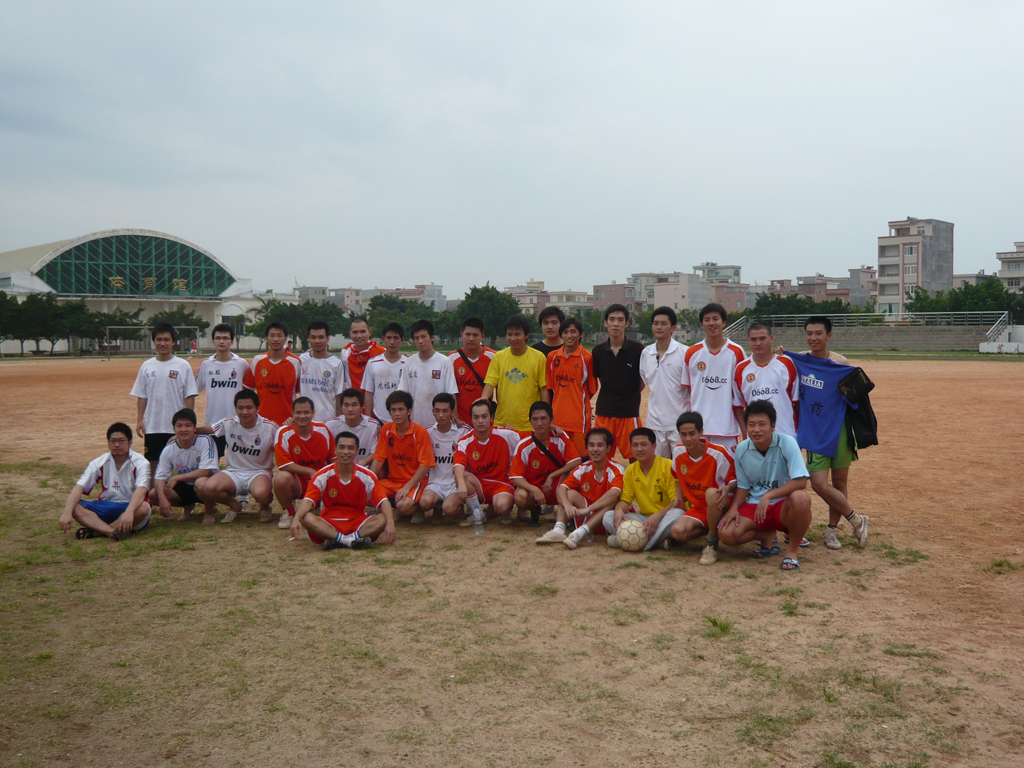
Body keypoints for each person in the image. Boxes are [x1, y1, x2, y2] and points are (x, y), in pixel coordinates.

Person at [783, 316, 869, 551]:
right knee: (819, 484)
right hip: (813, 432)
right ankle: (857, 520)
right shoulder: (798, 360)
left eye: (818, 333)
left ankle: (831, 531)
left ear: (828, 336)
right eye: (809, 333)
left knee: (840, 482)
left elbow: (857, 398)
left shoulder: (841, 363)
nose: (813, 338)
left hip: (839, 430)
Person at [717, 400, 813, 571]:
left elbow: (801, 481)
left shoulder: (787, 442)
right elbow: (743, 486)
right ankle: (766, 535)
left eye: (762, 424)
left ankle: (791, 551)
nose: (756, 430)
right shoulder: (742, 449)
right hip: (755, 505)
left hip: (782, 505)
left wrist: (769, 495)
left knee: (801, 498)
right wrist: (734, 508)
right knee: (726, 534)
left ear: (773, 425)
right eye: (751, 425)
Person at [289, 431, 397, 551]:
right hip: (329, 522)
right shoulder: (322, 475)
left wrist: (390, 523)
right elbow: (308, 501)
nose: (346, 452)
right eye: (341, 447)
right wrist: (296, 519)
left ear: (357, 451)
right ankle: (351, 541)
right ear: (335, 450)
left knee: (383, 519)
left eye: (350, 448)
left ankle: (339, 540)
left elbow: (383, 501)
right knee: (306, 517)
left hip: (358, 522)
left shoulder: (367, 475)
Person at [196, 389, 278, 523]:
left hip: (259, 472)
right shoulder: (228, 423)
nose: (244, 412)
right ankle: (235, 505)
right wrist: (185, 434)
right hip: (234, 472)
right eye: (240, 408)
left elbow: (283, 441)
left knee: (262, 494)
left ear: (257, 408)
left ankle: (265, 507)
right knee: (208, 488)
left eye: (249, 407)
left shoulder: (270, 427)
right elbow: (207, 429)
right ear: (235, 409)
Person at [130, 323, 198, 482]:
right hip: (153, 426)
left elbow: (190, 395)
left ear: (173, 342)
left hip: (177, 426)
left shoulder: (183, 365)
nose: (163, 343)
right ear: (154, 341)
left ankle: (183, 495)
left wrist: (189, 422)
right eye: (159, 340)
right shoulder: (147, 366)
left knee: (183, 464)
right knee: (152, 464)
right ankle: (153, 495)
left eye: (167, 340)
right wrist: (140, 420)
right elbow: (142, 396)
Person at [59, 423, 152, 540]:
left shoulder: (141, 463)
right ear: (108, 443)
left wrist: (130, 511)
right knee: (74, 506)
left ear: (130, 442)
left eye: (121, 441)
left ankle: (98, 530)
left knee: (144, 508)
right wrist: (67, 512)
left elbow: (142, 489)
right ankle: (111, 531)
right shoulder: (100, 462)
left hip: (129, 506)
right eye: (113, 441)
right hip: (106, 506)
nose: (117, 445)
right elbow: (79, 486)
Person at [668, 411, 736, 564]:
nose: (688, 438)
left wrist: (727, 489)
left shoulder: (718, 453)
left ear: (701, 432)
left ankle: (712, 544)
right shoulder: (678, 451)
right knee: (677, 532)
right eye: (683, 434)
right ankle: (710, 528)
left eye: (692, 433)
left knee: (711, 493)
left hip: (721, 503)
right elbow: (676, 475)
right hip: (698, 507)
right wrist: (678, 497)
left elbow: (735, 480)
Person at [511, 401, 582, 536]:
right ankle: (534, 509)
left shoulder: (560, 437)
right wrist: (534, 489)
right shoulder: (524, 445)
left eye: (543, 418)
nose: (539, 423)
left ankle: (568, 514)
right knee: (520, 496)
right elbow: (516, 478)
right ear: (530, 421)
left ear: (551, 420)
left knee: (576, 473)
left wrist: (552, 476)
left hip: (557, 486)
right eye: (535, 419)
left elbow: (576, 461)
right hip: (536, 490)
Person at [682, 303, 746, 452]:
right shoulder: (692, 352)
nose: (711, 323)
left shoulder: (736, 352)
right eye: (707, 320)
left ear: (723, 322)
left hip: (726, 429)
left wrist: (744, 429)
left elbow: (740, 393)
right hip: (698, 429)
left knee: (728, 467)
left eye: (715, 319)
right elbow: (689, 389)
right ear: (702, 324)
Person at [602, 428, 679, 550]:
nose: (639, 449)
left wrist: (657, 516)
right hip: (644, 519)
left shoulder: (668, 466)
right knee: (608, 516)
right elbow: (625, 500)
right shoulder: (630, 470)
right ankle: (657, 541)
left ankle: (641, 543)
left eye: (643, 445)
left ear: (654, 446)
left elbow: (676, 502)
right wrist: (618, 510)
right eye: (635, 445)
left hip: (665, 516)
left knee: (678, 515)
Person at [369, 390, 435, 519]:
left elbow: (426, 465)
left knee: (403, 506)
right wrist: (366, 480)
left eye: (401, 409)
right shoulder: (386, 429)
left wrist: (407, 487)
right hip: (392, 482)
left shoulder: (420, 432)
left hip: (414, 482)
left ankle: (416, 507)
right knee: (365, 493)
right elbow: (378, 459)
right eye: (393, 410)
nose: (397, 414)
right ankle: (394, 506)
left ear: (409, 411)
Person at [591, 304, 645, 461]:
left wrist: (629, 395)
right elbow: (602, 379)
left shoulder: (638, 350)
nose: (616, 324)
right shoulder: (598, 351)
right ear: (605, 323)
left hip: (629, 412)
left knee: (635, 456)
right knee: (601, 456)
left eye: (620, 320)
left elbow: (642, 380)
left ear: (626, 323)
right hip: (604, 411)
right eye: (612, 320)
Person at [557, 428, 626, 549]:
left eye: (600, 445)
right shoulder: (583, 468)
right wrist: (567, 505)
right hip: (588, 515)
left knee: (613, 501)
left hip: (609, 519)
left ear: (608, 448)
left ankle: (579, 533)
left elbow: (614, 494)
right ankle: (558, 530)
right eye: (591, 445)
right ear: (587, 447)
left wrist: (589, 509)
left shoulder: (617, 469)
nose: (595, 449)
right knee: (569, 494)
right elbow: (562, 488)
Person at [453, 400, 519, 526]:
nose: (480, 421)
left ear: (491, 418)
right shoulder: (464, 441)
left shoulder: (506, 435)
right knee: (461, 475)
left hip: (501, 484)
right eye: (476, 417)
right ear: (471, 419)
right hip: (480, 485)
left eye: (484, 416)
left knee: (502, 506)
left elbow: (530, 441)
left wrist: (550, 427)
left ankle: (503, 511)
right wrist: (461, 483)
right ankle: (478, 514)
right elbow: (458, 463)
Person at [273, 396, 335, 529]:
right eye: (298, 412)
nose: (302, 416)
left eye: (306, 412)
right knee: (281, 478)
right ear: (292, 413)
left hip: (320, 480)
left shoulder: (323, 430)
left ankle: (319, 506)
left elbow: (334, 458)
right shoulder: (284, 432)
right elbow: (284, 464)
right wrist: (309, 471)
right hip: (298, 481)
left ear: (313, 413)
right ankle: (289, 512)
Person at [482, 316, 549, 435]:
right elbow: (490, 383)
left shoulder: (539, 358)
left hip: (529, 425)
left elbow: (544, 388)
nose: (513, 338)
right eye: (509, 334)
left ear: (526, 335)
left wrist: (545, 415)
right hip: (502, 423)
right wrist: (484, 398)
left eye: (517, 334)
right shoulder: (498, 357)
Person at [733, 323, 799, 440]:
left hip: (786, 435)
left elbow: (797, 402)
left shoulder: (786, 364)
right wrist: (745, 432)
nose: (758, 343)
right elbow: (738, 405)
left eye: (762, 338)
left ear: (771, 339)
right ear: (748, 341)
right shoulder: (741, 369)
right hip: (756, 437)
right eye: (753, 339)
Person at [153, 408, 218, 524]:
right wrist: (162, 499)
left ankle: (209, 511)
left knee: (201, 482)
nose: (184, 429)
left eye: (188, 425)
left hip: (207, 485)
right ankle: (187, 505)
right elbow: (159, 477)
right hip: (186, 485)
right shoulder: (169, 449)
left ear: (195, 428)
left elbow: (205, 472)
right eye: (179, 426)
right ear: (174, 429)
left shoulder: (205, 440)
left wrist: (177, 477)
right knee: (154, 494)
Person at [196, 323, 252, 458]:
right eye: (218, 338)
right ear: (213, 341)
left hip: (237, 421)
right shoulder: (206, 364)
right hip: (213, 422)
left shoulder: (241, 364)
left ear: (231, 341)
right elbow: (195, 388)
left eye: (225, 338)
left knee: (240, 459)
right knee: (213, 459)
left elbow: (248, 391)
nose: (221, 341)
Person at [640, 306, 689, 458]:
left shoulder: (685, 353)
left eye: (663, 323)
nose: (659, 327)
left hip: (679, 423)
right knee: (659, 467)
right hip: (654, 424)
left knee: (681, 467)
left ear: (673, 327)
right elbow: (644, 382)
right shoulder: (646, 353)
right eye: (655, 323)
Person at [545, 317, 597, 455]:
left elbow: (592, 390)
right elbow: (551, 388)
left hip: (579, 421)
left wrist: (578, 401)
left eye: (573, 332)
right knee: (558, 459)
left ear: (581, 334)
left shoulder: (587, 358)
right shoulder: (552, 357)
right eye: (566, 332)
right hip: (557, 420)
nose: (569, 335)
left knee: (580, 459)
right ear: (561, 334)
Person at [419, 393, 470, 523]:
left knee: (449, 509)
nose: (441, 415)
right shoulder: (427, 432)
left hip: (455, 484)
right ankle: (437, 506)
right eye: (437, 411)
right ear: (433, 412)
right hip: (435, 483)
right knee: (424, 503)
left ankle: (459, 507)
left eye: (445, 411)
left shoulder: (464, 431)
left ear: (452, 412)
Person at [403, 319, 459, 427]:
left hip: (438, 423)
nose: (420, 341)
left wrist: (454, 415)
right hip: (415, 421)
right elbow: (403, 393)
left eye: (423, 337)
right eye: (416, 338)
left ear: (432, 338)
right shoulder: (409, 363)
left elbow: (451, 392)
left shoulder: (444, 362)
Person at [245, 321, 301, 427]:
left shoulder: (296, 362)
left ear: (285, 338)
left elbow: (301, 393)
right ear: (267, 338)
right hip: (261, 422)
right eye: (272, 335)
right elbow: (248, 390)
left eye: (279, 336)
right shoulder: (258, 360)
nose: (276, 339)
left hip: (287, 422)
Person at [448, 317, 495, 425]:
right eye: (467, 334)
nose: (471, 339)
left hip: (485, 421)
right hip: (460, 422)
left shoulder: (493, 357)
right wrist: (454, 414)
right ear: (461, 335)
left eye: (475, 335)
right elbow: (450, 389)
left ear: (482, 337)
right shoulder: (452, 358)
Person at [362, 322, 407, 424]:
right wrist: (369, 419)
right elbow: (369, 392)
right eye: (389, 338)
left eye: (396, 338)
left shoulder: (408, 364)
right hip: (379, 417)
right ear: (383, 339)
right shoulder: (373, 363)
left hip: (402, 418)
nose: (392, 342)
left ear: (402, 340)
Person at [299, 321, 345, 421]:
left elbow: (339, 395)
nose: (317, 341)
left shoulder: (337, 363)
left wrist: (339, 420)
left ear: (328, 338)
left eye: (321, 337)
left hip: (328, 419)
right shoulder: (301, 360)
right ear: (308, 338)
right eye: (313, 337)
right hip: (305, 419)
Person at [324, 389, 380, 467]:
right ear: (341, 407)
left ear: (361, 407)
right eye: (346, 405)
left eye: (354, 405)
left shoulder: (373, 425)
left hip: (364, 468)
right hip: (337, 467)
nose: (350, 409)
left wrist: (363, 462)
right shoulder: (330, 425)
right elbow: (325, 453)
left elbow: (376, 452)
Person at [339, 317, 385, 396]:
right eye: (355, 332)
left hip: (374, 397)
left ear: (369, 332)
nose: (359, 336)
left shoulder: (381, 352)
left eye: (363, 331)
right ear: (350, 334)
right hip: (354, 399)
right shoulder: (345, 352)